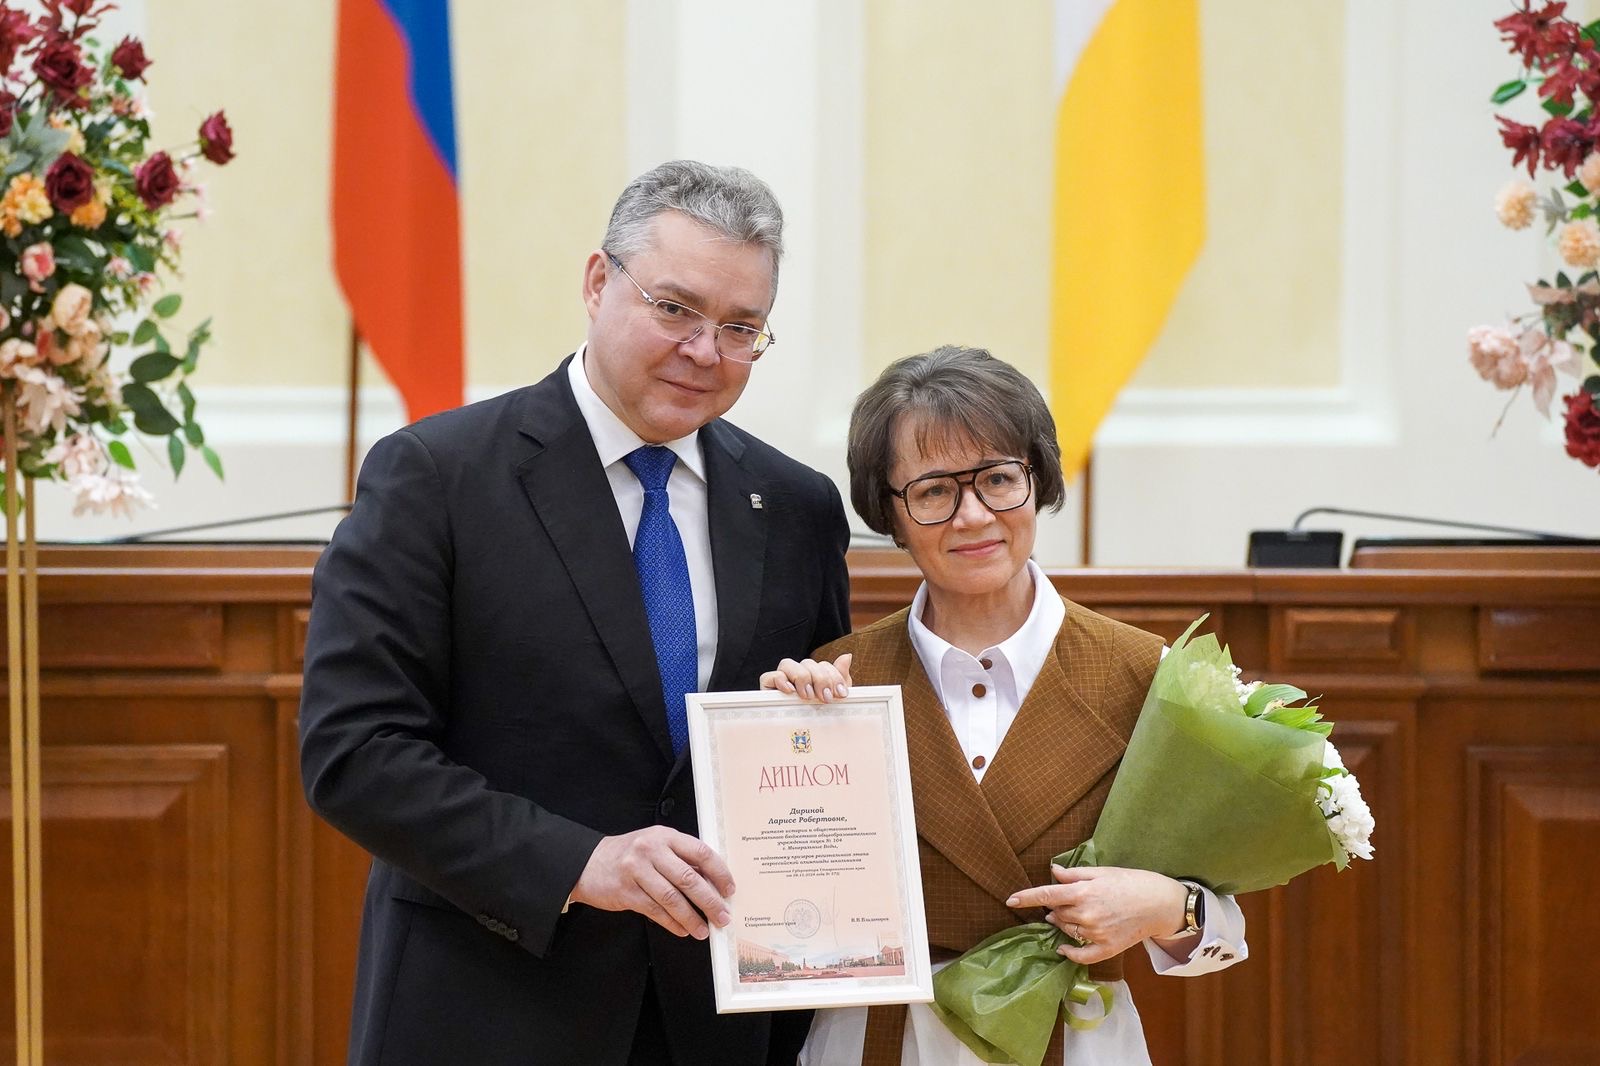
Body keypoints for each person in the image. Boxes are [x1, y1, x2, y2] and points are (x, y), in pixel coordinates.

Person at [299, 160, 851, 1066]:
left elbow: (817, 741)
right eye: (674, 308)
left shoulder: (795, 507)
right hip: (489, 1008)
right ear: (598, 283)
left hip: (721, 1023)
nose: (706, 350)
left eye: (741, 327)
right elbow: (355, 754)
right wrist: (580, 865)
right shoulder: (434, 478)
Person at [761, 346, 1247, 1065]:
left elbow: (1223, 940)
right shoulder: (840, 681)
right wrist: (781, 747)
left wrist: (1162, 907)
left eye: (997, 479)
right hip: (882, 1041)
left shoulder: (1146, 675)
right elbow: (778, 924)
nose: (973, 516)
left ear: (1038, 478)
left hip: (1072, 1040)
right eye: (933, 491)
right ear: (890, 516)